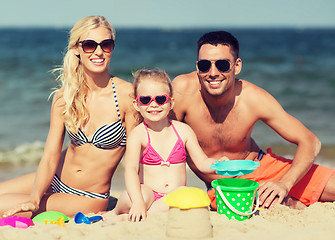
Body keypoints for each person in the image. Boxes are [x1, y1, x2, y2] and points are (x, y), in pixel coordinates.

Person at [172, 31, 335, 210]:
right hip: (223, 186)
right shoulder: (182, 91)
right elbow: (155, 135)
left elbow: (310, 141)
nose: (212, 73)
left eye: (222, 65)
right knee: (254, 204)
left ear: (237, 66)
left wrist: (285, 183)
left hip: (262, 166)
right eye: (204, 65)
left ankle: (288, 198)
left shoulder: (253, 98)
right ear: (197, 67)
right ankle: (291, 203)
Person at [0, 16, 136, 218]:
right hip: (53, 179)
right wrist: (35, 198)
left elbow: (137, 158)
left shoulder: (127, 96)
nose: (98, 52)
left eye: (105, 44)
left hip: (88, 197)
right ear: (76, 48)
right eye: (89, 45)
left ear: (112, 47)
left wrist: (139, 198)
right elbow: (50, 156)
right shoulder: (65, 96)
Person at [109, 69, 225, 222]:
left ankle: (141, 216)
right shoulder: (138, 134)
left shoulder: (183, 131)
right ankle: (116, 212)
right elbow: (130, 170)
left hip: (171, 197)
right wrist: (137, 202)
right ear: (136, 104)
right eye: (145, 100)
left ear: (171, 103)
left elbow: (202, 162)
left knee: (185, 193)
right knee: (141, 194)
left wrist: (219, 164)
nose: (153, 105)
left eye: (160, 99)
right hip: (145, 196)